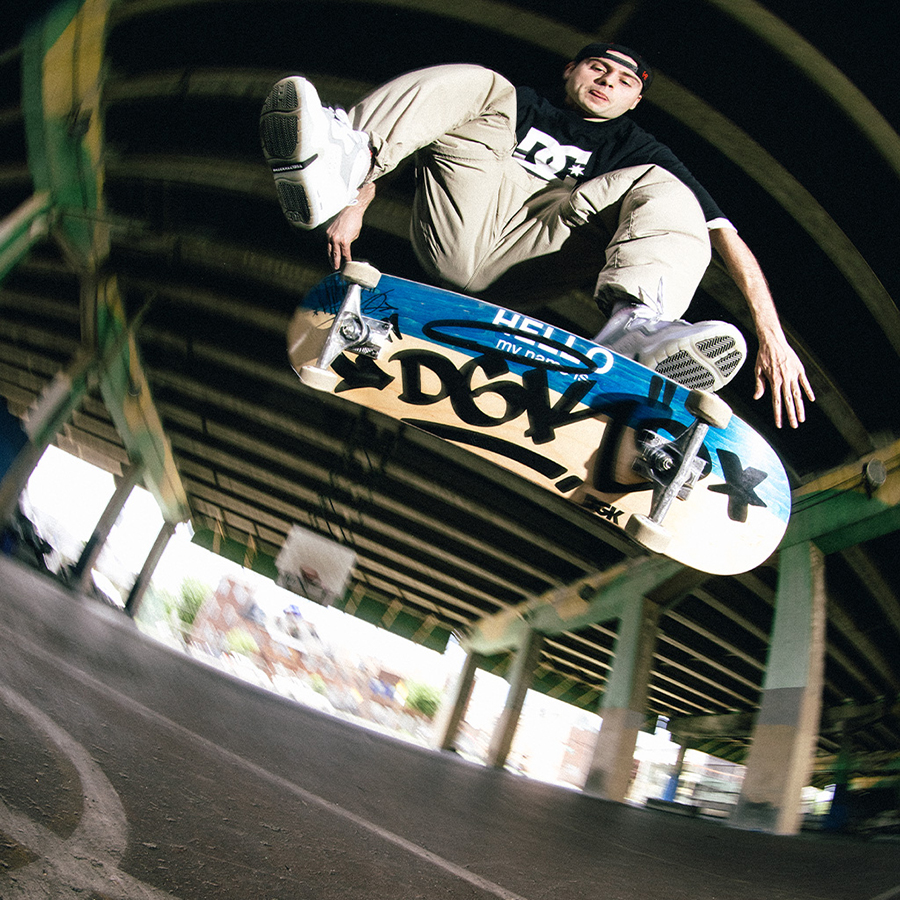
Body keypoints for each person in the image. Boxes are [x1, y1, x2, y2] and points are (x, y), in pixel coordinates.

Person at [260, 43, 814, 428]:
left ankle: (637, 327)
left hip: (533, 256)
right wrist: (356, 199)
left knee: (668, 187)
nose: (607, 83)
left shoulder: (638, 151)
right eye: (598, 69)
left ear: (634, 102)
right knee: (482, 84)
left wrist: (773, 336)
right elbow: (427, 126)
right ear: (571, 71)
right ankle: (343, 157)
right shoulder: (513, 105)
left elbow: (723, 236)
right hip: (463, 230)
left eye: (623, 82)